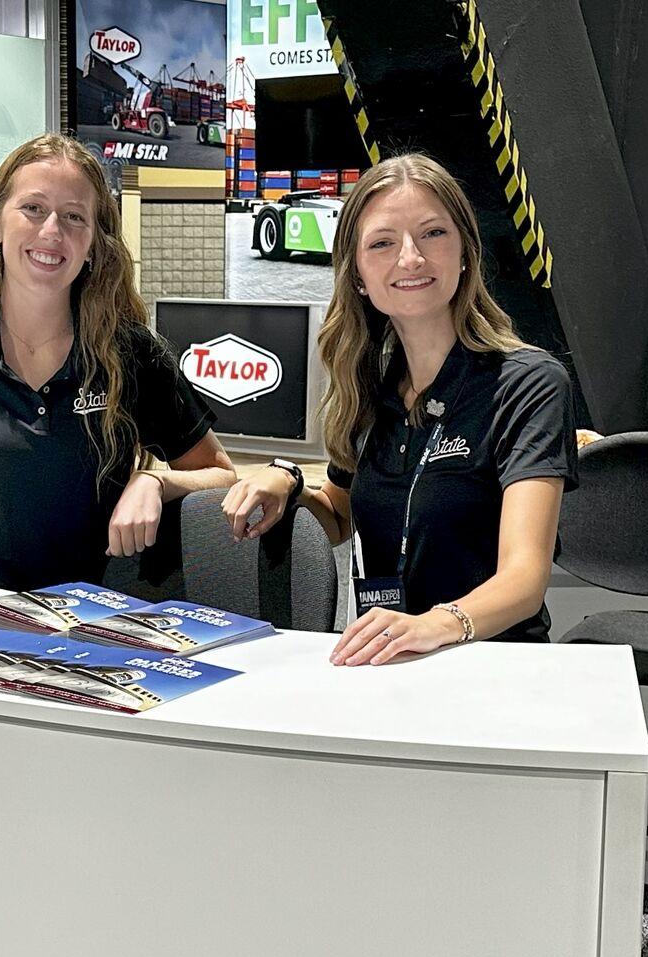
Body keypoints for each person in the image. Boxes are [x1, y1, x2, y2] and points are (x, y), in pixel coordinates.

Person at [220, 152, 577, 664]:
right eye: (382, 243)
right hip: (393, 661)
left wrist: (434, 624)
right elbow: (340, 515)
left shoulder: (529, 384)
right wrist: (288, 482)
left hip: (496, 664)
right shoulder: (369, 387)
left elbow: (524, 579)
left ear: (465, 252)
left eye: (433, 234)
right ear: (358, 274)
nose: (410, 258)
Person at [0, 134, 233, 588]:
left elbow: (221, 475)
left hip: (99, 622)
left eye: (74, 216)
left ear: (94, 242)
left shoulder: (132, 352)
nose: (51, 231)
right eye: (33, 208)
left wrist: (155, 482)